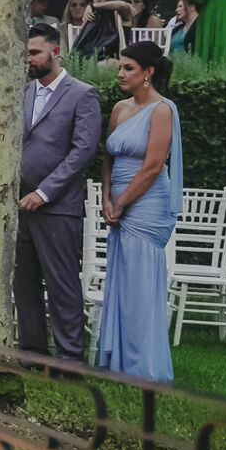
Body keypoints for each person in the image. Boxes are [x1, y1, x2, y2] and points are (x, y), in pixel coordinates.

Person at [95, 41, 182, 381]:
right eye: (120, 66)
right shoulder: (119, 109)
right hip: (117, 203)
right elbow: (108, 157)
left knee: (141, 283)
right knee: (122, 279)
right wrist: (105, 197)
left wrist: (121, 202)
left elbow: (153, 166)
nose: (120, 73)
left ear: (149, 72)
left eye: (128, 68)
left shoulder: (163, 111)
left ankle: (143, 365)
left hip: (147, 205)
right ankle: (119, 360)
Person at [15, 24, 102, 361]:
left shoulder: (82, 94)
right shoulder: (23, 92)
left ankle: (69, 358)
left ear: (56, 51)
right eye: (27, 53)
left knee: (62, 284)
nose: (29, 59)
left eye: (35, 52)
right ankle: (33, 354)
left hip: (58, 206)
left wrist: (45, 192)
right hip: (21, 204)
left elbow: (82, 151)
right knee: (24, 286)